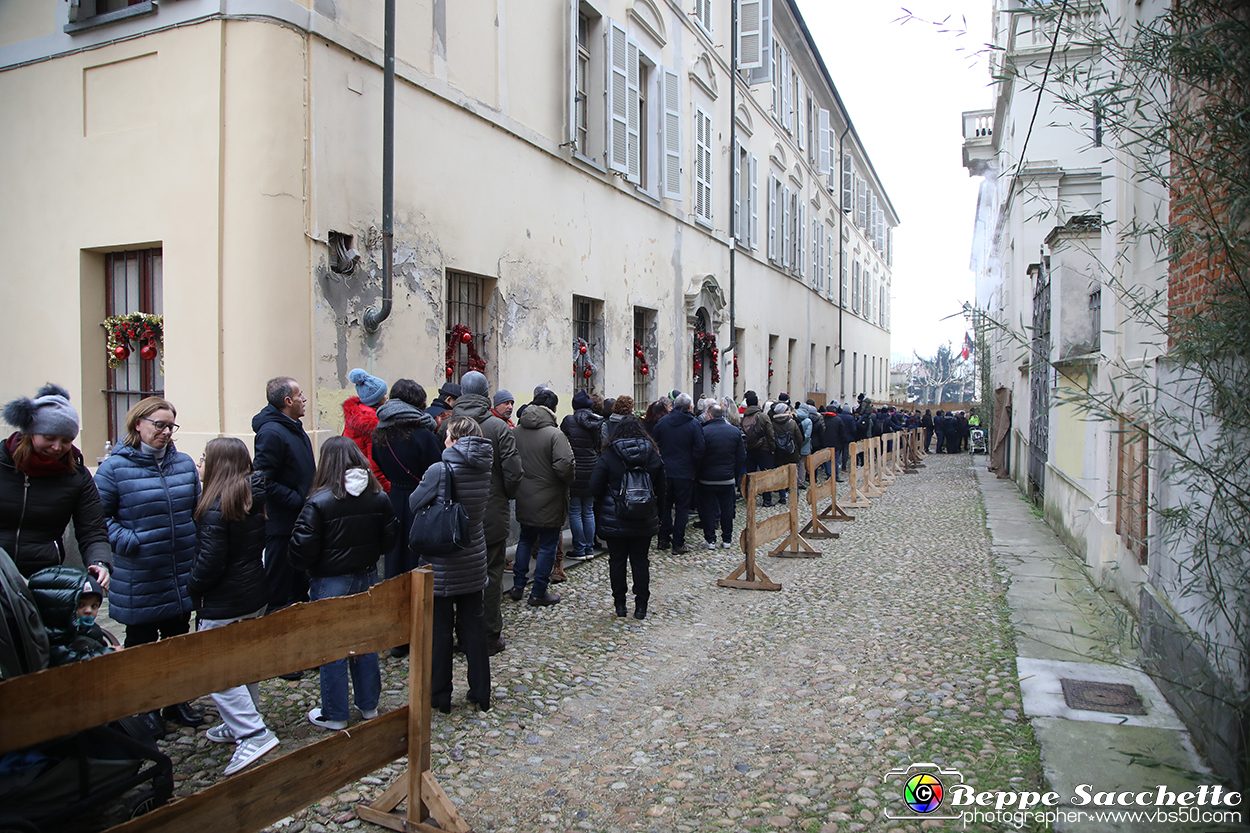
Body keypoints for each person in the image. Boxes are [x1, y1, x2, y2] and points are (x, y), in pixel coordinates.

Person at [95, 396, 203, 727]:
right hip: (140, 571)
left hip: (180, 568)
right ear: (137, 424)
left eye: (171, 426)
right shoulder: (114, 468)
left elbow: (195, 510)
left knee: (177, 641)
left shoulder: (183, 464)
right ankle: (144, 710)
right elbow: (98, 518)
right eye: (159, 425)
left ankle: (175, 702)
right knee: (141, 644)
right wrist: (130, 541)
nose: (166, 432)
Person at [289, 437, 396, 731]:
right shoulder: (378, 496)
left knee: (332, 647)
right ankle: (368, 705)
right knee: (365, 641)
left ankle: (335, 713)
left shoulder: (320, 501)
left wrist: (312, 565)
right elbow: (389, 539)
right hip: (367, 575)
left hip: (330, 579)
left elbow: (300, 549)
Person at [188, 438, 280, 775]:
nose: (198, 464)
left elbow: (211, 562)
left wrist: (193, 587)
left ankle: (252, 732)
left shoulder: (218, 506)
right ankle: (241, 719)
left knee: (214, 668)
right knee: (243, 661)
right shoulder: (249, 498)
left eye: (202, 458)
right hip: (252, 591)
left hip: (226, 598)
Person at [409, 416, 493, 712]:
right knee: (474, 626)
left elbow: (414, 503)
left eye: (446, 436)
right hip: (473, 554)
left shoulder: (440, 469)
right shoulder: (484, 465)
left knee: (440, 631)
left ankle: (440, 696)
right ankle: (481, 692)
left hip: (444, 556)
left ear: (454, 439)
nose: (443, 441)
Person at [433, 371, 521, 654]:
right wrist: (505, 496)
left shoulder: (445, 426)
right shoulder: (498, 427)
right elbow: (513, 472)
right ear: (486, 394)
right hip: (490, 510)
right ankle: (488, 635)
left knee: (455, 575)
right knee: (491, 575)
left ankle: (460, 633)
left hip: (451, 516)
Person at [1, 384, 112, 586]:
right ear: (29, 434)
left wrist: (100, 562)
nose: (57, 447)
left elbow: (93, 530)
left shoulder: (76, 476)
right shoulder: (3, 463)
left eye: (66, 440)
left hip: (43, 578)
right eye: (49, 438)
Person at [590, 415, 665, 619]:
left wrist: (607, 499)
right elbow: (661, 487)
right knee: (641, 561)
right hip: (645, 515)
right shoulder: (652, 453)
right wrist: (660, 512)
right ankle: (641, 606)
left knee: (617, 560)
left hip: (615, 514)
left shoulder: (610, 453)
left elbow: (595, 485)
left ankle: (620, 605)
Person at [252, 377, 316, 618]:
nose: (304, 399)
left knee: (299, 586)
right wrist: (297, 500)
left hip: (298, 520)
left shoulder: (293, 428)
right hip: (281, 526)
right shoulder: (271, 432)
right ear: (288, 401)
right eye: (300, 395)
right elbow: (262, 479)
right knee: (280, 589)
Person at [371, 380, 442, 595]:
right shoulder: (424, 436)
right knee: (418, 555)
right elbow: (437, 471)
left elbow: (378, 462)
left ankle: (395, 600)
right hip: (421, 500)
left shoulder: (380, 435)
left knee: (395, 556)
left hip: (394, 498)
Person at [510, 389, 574, 607]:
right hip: (549, 497)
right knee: (547, 544)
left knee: (525, 540)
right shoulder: (555, 435)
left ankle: (518, 585)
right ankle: (538, 591)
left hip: (524, 495)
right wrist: (566, 481)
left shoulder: (516, 431)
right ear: (553, 409)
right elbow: (565, 465)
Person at [27, 566, 114, 666]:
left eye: (94, 606)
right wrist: (110, 653)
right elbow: (73, 662)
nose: (89, 611)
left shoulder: (89, 629)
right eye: (81, 605)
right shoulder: (54, 637)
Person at [651, 393, 705, 554]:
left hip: (666, 470)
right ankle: (678, 542)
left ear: (674, 405)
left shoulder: (663, 422)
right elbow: (700, 449)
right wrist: (694, 466)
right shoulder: (694, 424)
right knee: (682, 508)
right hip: (684, 471)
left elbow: (655, 445)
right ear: (689, 407)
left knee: (665, 506)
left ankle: (664, 538)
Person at [561, 390, 603, 561]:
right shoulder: (596, 421)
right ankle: (590, 547)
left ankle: (579, 547)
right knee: (588, 510)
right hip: (592, 467)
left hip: (576, 468)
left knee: (575, 510)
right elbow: (598, 444)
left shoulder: (569, 421)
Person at [697, 405, 745, 549]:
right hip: (727, 477)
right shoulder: (734, 432)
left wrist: (699, 474)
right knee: (727, 509)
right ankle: (727, 539)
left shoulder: (703, 432)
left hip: (707, 478)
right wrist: (734, 475)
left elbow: (699, 455)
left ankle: (710, 539)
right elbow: (740, 457)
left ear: (709, 415)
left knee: (708, 509)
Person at [342, 368, 390, 491]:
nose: (386, 397)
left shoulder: (354, 416)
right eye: (384, 394)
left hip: (353, 480)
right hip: (367, 485)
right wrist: (389, 491)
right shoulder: (372, 424)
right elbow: (375, 468)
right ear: (377, 399)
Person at [740, 391, 776, 505]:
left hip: (750, 449)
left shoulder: (744, 417)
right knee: (765, 474)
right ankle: (767, 499)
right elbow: (770, 433)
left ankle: (750, 497)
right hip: (763, 448)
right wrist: (772, 448)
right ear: (757, 403)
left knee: (751, 474)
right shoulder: (763, 416)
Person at [768, 403, 803, 505]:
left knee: (781, 475)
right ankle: (795, 494)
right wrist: (797, 448)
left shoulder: (772, 423)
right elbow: (799, 438)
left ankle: (782, 496)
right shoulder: (792, 423)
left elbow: (771, 437)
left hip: (779, 453)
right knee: (793, 474)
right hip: (791, 452)